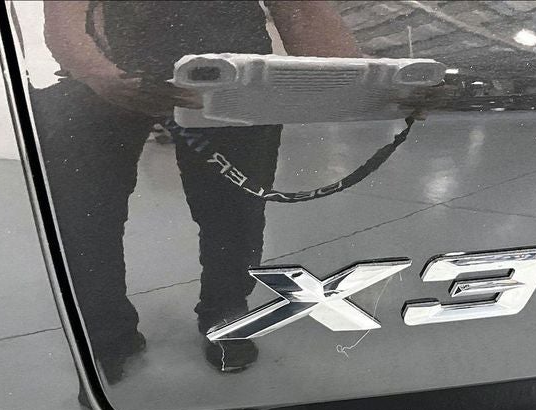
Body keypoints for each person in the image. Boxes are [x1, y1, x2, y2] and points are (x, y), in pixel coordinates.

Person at [33, 1, 360, 378]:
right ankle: (104, 334)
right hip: (113, 74)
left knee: (235, 215)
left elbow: (302, 10)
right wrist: (96, 73)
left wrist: (368, 83)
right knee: (85, 216)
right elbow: (64, 12)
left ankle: (225, 317)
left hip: (227, 75)